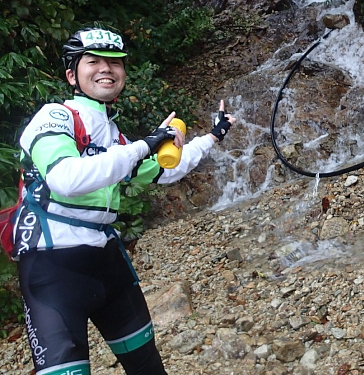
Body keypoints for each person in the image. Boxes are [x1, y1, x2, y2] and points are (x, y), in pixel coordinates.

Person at [11, 27, 235, 375]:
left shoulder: (114, 135)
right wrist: (144, 144)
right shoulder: (55, 117)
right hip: (53, 269)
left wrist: (213, 135)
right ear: (72, 74)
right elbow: (66, 178)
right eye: (93, 61)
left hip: (108, 263)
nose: (106, 68)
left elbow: (163, 172)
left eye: (115, 62)